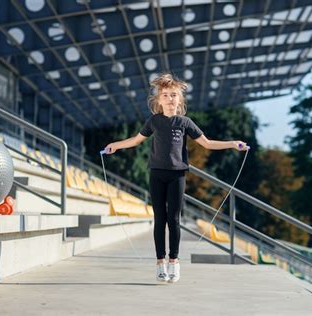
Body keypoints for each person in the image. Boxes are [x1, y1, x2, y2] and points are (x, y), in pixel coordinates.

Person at [103, 73, 248, 283]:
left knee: (174, 219)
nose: (170, 99)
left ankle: (174, 262)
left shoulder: (185, 122)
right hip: (156, 174)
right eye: (165, 95)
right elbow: (135, 140)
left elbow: (207, 143)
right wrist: (115, 145)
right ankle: (160, 263)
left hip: (177, 175)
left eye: (173, 95)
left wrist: (232, 143)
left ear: (179, 99)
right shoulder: (154, 121)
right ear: (159, 100)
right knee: (159, 219)